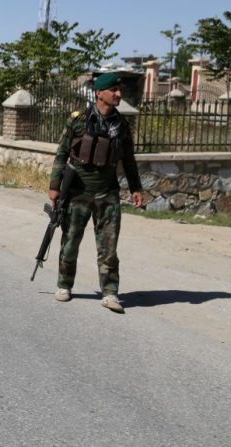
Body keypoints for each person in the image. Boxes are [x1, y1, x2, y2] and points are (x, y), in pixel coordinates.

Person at [48, 72, 143, 314]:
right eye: (113, 90)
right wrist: (54, 187)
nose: (119, 94)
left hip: (107, 192)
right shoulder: (78, 120)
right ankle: (64, 285)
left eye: (119, 90)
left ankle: (110, 292)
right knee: (70, 242)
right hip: (78, 191)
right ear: (98, 93)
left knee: (109, 246)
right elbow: (61, 154)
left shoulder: (121, 125)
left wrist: (136, 188)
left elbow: (129, 160)